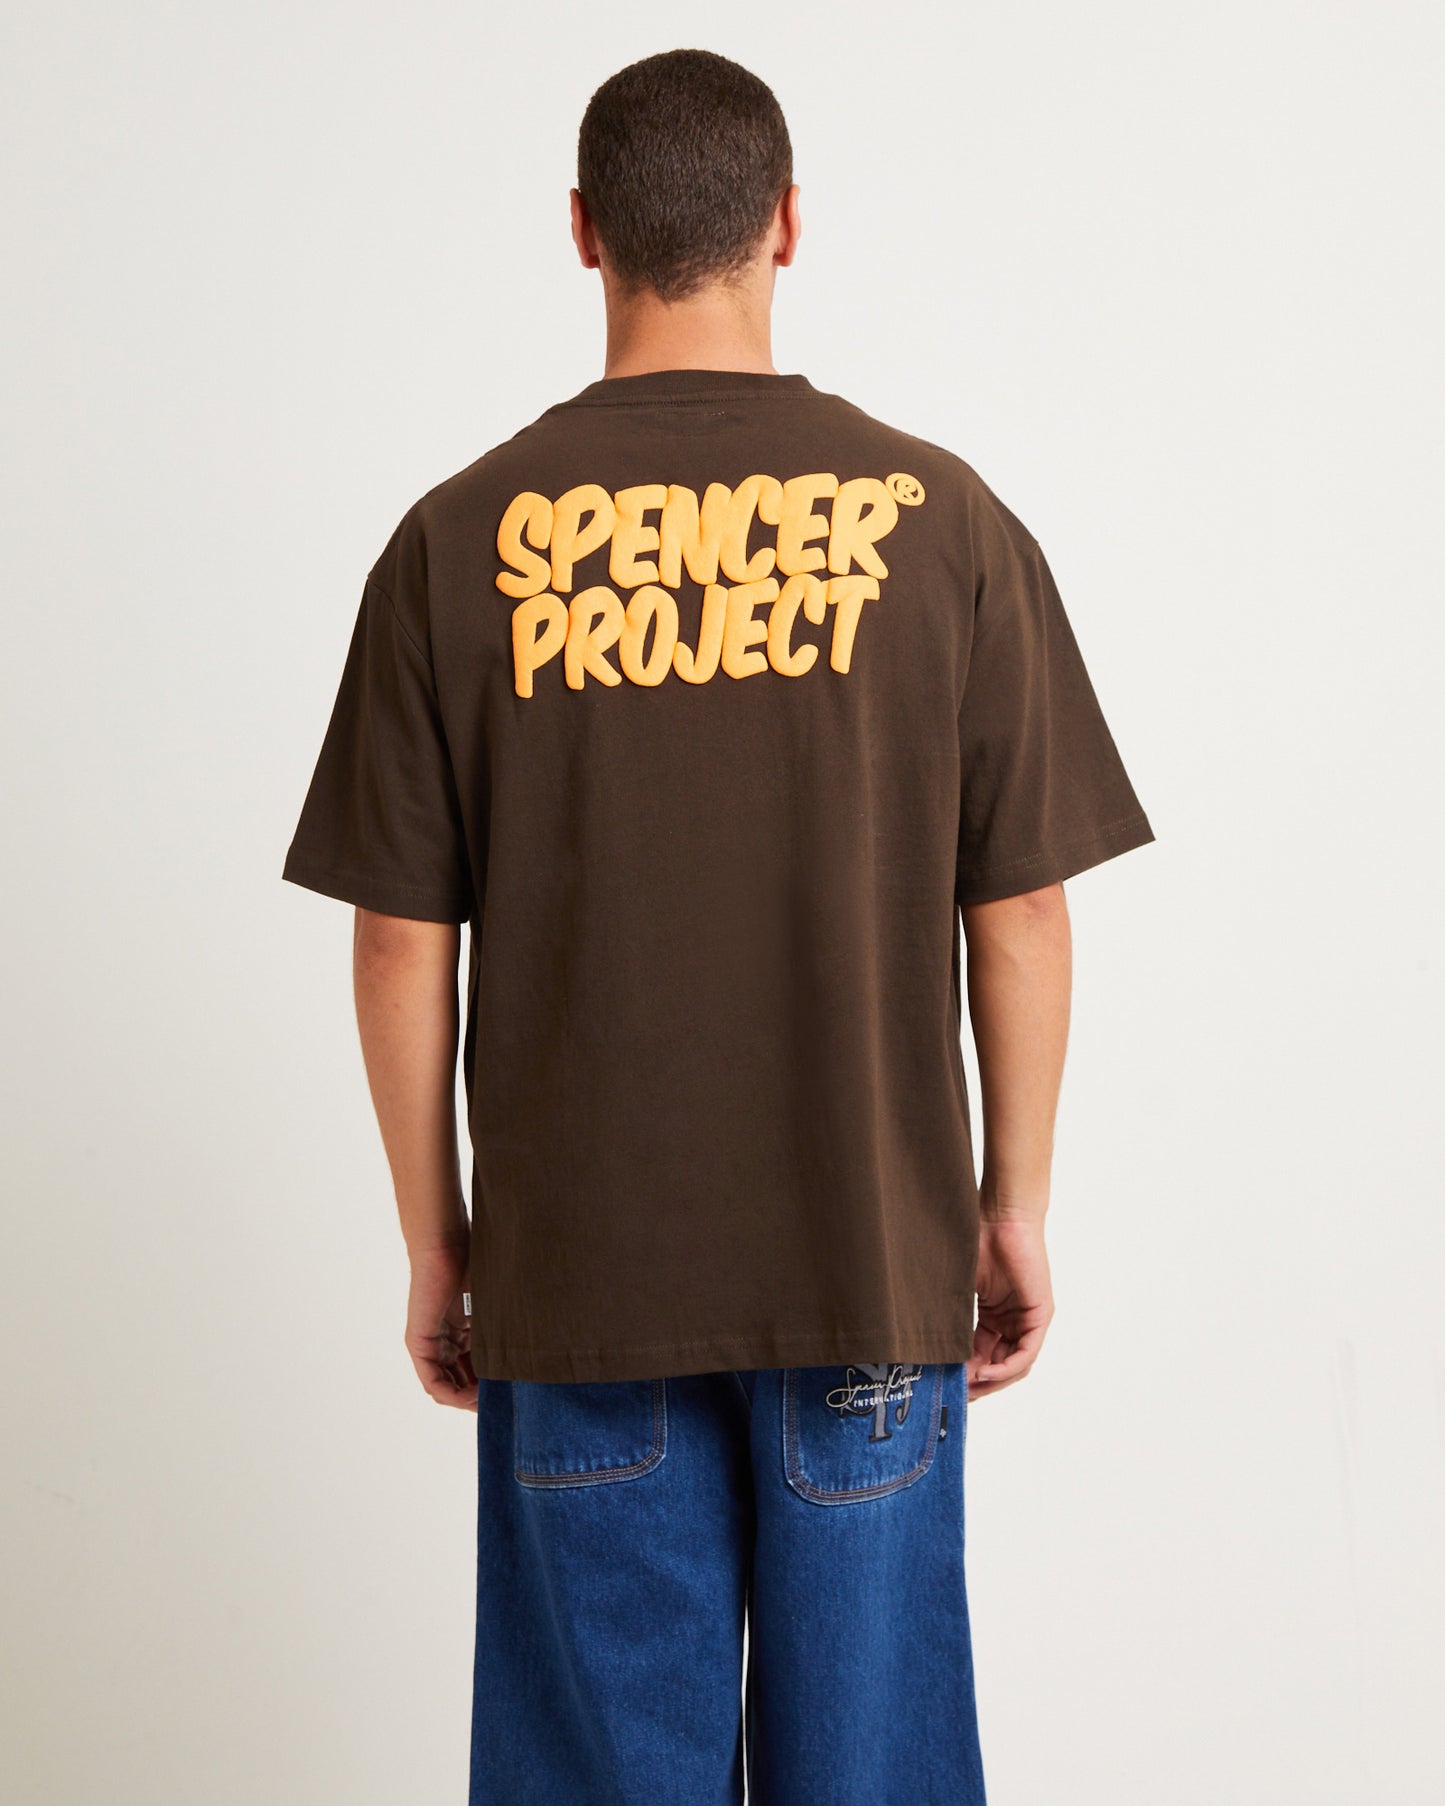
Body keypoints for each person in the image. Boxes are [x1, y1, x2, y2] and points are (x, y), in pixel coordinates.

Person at [281, 46, 1155, 1806]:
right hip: (869, 1270)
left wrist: (440, 1243)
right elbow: (1020, 902)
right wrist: (1011, 1205)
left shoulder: (456, 541)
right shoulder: (944, 525)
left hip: (580, 1291)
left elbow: (397, 941)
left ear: (583, 232)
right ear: (787, 224)